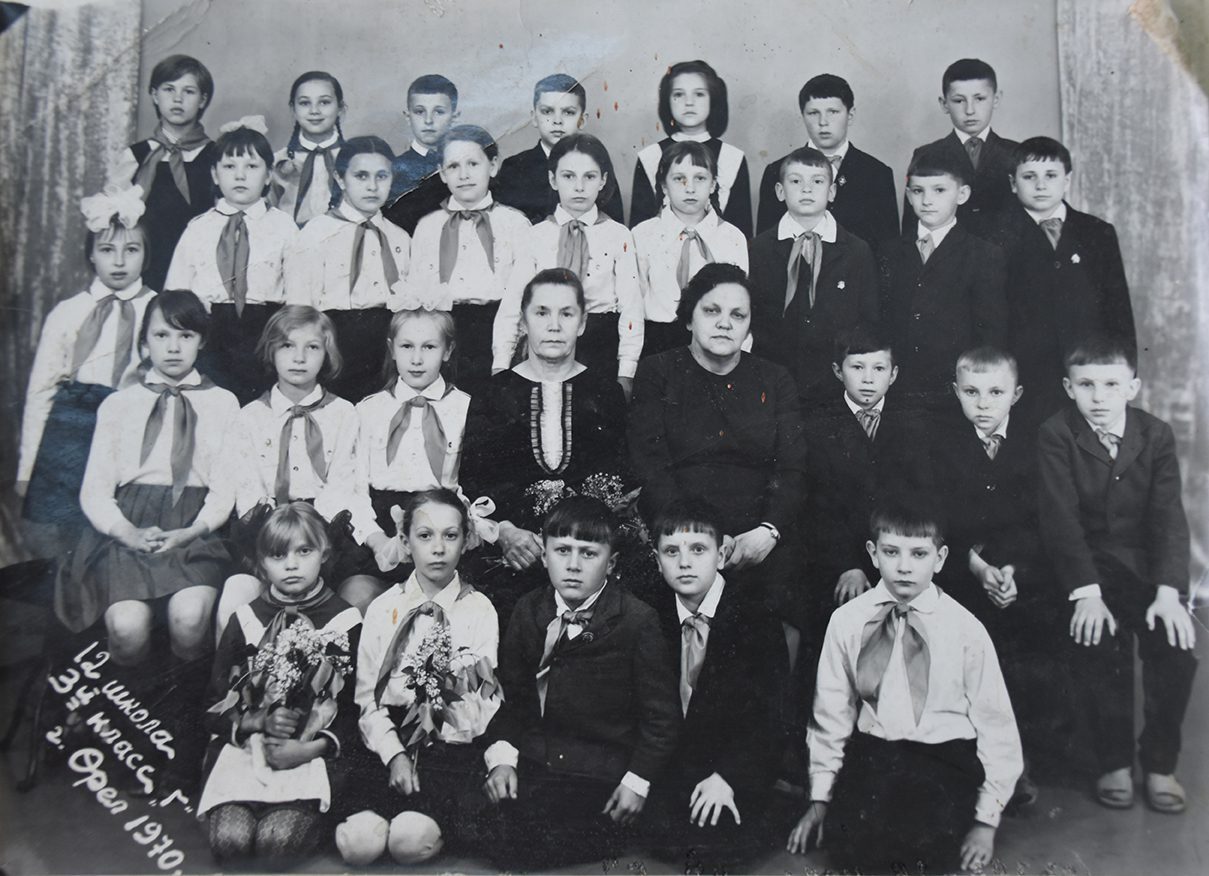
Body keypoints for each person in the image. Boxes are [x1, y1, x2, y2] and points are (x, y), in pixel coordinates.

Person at [55, 290, 238, 793]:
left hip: (195, 528)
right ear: (144, 342)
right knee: (127, 627)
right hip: (126, 527)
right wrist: (127, 531)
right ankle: (132, 740)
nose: (173, 347)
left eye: (185, 335)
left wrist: (193, 529)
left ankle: (186, 744)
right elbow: (94, 491)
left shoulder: (223, 403)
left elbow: (225, 489)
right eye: (161, 335)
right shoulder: (119, 404)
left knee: (190, 618)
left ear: (201, 341)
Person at [787, 499, 1023, 874]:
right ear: (872, 553)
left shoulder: (965, 628)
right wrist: (820, 801)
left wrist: (986, 823)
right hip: (875, 753)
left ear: (940, 558)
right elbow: (830, 714)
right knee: (851, 850)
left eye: (919, 554)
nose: (904, 566)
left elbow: (996, 724)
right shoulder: (848, 620)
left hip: (944, 758)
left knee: (924, 854)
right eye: (891, 552)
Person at [1037, 336, 1196, 814]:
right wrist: (1085, 592)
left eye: (1111, 385)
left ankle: (1160, 762)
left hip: (1146, 570)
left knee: (1175, 647)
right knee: (1099, 642)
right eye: (1086, 385)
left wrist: (1168, 593)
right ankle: (1115, 761)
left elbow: (1168, 517)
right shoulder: (1056, 433)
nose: (1099, 397)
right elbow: (1060, 520)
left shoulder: (1155, 434)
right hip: (1088, 566)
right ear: (1069, 387)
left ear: (1133, 387)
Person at [481, 496, 681, 871]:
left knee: (535, 846)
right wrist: (504, 761)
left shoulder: (637, 621)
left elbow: (661, 719)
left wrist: (637, 782)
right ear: (544, 556)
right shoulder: (529, 610)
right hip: (539, 764)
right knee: (491, 830)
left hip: (601, 775)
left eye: (588, 554)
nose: (573, 565)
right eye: (562, 551)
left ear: (612, 563)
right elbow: (513, 701)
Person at [628, 263, 806, 646]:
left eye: (738, 315)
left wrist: (768, 532)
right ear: (688, 318)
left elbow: (793, 469)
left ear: (750, 325)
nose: (725, 323)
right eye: (712, 311)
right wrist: (698, 542)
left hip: (757, 543)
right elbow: (651, 467)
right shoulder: (658, 372)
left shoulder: (775, 380)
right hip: (682, 540)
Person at [339, 489, 501, 865]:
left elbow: (481, 704)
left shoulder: (479, 610)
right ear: (405, 541)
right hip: (388, 744)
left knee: (408, 841)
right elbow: (367, 699)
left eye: (450, 535)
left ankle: (425, 827)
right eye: (425, 536)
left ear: (467, 540)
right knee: (356, 844)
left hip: (447, 749)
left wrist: (438, 712)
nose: (438, 548)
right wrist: (394, 753)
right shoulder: (383, 608)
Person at [198, 502, 362, 867]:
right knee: (231, 843)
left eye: (304, 552)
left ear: (324, 554)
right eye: (278, 555)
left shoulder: (344, 621)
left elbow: (356, 709)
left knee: (277, 844)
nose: (291, 565)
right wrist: (256, 721)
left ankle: (308, 821)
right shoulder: (246, 619)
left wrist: (311, 748)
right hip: (249, 752)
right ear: (260, 563)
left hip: (308, 756)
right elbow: (212, 705)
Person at [463, 268, 628, 622]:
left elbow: (618, 477)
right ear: (523, 322)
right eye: (541, 313)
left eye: (566, 314)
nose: (554, 326)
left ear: (582, 323)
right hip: (514, 555)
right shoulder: (493, 394)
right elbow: (475, 480)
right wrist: (505, 532)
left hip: (587, 553)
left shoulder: (606, 393)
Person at [932, 346, 1048, 807]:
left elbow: (1039, 521)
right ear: (955, 392)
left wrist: (1013, 570)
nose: (983, 404)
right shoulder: (940, 444)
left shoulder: (1035, 443)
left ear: (1015, 395)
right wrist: (974, 565)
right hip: (959, 570)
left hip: (1018, 573)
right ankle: (965, 760)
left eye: (996, 393)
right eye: (971, 392)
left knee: (1022, 649)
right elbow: (935, 517)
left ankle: (1013, 763)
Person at [647, 500, 785, 871]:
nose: (684, 563)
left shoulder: (756, 617)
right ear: (657, 560)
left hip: (732, 768)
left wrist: (729, 777)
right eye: (671, 552)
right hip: (673, 768)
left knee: (718, 847)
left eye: (698, 549)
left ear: (721, 555)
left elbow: (770, 718)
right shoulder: (650, 615)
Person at [216, 306, 362, 638]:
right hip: (267, 533)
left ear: (327, 353)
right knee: (235, 597)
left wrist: (312, 535)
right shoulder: (249, 417)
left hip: (326, 533)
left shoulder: (345, 413)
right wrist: (279, 534)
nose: (299, 357)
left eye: (312, 347)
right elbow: (249, 492)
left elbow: (342, 485)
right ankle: (231, 671)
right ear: (271, 350)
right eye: (287, 346)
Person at [19, 186, 155, 537]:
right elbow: (40, 393)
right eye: (107, 250)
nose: (119, 262)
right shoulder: (68, 313)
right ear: (91, 255)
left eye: (131, 250)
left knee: (119, 526)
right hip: (71, 430)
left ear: (146, 255)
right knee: (67, 532)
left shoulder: (157, 310)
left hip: (130, 427)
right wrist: (28, 468)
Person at [799, 327, 933, 685]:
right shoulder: (817, 427)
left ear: (894, 374)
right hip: (837, 561)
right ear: (837, 371)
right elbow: (818, 507)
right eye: (857, 368)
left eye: (879, 369)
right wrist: (847, 565)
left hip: (898, 557)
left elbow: (920, 499)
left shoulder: (913, 425)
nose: (869, 379)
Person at [991, 136, 1136, 431]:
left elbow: (1118, 310)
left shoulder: (1097, 232)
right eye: (1029, 177)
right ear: (1013, 183)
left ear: (1067, 180)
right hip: (1025, 378)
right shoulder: (995, 237)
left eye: (1051, 175)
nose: (1040, 185)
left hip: (1088, 375)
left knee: (1087, 449)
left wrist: (1123, 374)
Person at [491, 134, 642, 395]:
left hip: (599, 345)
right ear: (553, 179)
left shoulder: (619, 236)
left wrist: (626, 370)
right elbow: (513, 302)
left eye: (589, 177)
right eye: (569, 176)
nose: (579, 187)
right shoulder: (535, 235)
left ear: (603, 180)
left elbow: (631, 308)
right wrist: (501, 364)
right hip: (545, 341)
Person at [166, 116, 297, 404]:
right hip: (210, 336)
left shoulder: (284, 227)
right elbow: (175, 294)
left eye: (251, 167)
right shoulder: (198, 229)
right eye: (229, 167)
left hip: (266, 335)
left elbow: (298, 294)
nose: (240, 176)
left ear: (268, 175)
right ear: (215, 174)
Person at [349, 308, 470, 596]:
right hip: (381, 530)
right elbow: (354, 488)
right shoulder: (367, 410)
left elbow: (470, 485)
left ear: (448, 350)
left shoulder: (465, 408)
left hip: (444, 531)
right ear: (392, 349)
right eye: (406, 346)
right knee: (359, 594)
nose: (416, 359)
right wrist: (378, 541)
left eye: (429, 347)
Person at [407, 125, 532, 391]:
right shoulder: (428, 227)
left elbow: (522, 295)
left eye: (473, 164)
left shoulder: (515, 224)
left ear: (493, 166)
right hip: (443, 334)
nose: (463, 175)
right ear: (441, 173)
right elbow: (418, 290)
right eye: (453, 166)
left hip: (499, 330)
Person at [285, 135, 409, 401]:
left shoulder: (400, 239)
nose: (372, 186)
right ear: (340, 179)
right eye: (361, 176)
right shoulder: (315, 233)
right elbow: (300, 310)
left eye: (382, 176)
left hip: (386, 353)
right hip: (334, 350)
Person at [748, 146, 878, 401]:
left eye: (817, 182)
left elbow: (868, 320)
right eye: (796, 181)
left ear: (832, 191)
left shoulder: (857, 251)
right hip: (773, 378)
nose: (806, 189)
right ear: (780, 191)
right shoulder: (759, 249)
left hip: (834, 383)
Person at [880, 151, 1007, 409]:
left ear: (962, 194)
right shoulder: (889, 251)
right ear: (908, 195)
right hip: (899, 389)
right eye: (918, 191)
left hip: (954, 389)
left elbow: (990, 333)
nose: (927, 201)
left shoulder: (983, 254)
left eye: (939, 190)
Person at [110, 54, 217, 290]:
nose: (178, 98)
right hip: (147, 271)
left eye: (189, 91)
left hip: (199, 269)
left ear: (202, 100)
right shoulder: (136, 156)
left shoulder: (216, 156)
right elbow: (116, 223)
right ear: (154, 95)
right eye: (169, 89)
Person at [632, 141, 749, 357]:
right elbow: (634, 304)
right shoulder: (643, 235)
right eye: (679, 179)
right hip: (657, 341)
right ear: (664, 186)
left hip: (714, 341)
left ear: (713, 185)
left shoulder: (732, 237)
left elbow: (741, 304)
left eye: (700, 178)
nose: (690, 188)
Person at [756, 73, 898, 248]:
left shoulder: (877, 174)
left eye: (833, 112)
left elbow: (888, 248)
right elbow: (765, 245)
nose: (823, 122)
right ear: (802, 116)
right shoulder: (776, 171)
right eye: (813, 113)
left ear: (850, 115)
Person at [629, 60, 752, 236]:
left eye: (699, 94)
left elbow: (742, 233)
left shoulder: (733, 157)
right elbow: (638, 231)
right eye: (679, 94)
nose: (689, 102)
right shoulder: (650, 156)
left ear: (713, 99)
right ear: (667, 101)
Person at [900, 58, 1019, 239]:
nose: (970, 110)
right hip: (948, 253)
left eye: (979, 99)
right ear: (944, 104)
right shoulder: (926, 154)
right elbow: (912, 228)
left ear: (996, 99)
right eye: (959, 100)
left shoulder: (1016, 153)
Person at [495, 74, 625, 224]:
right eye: (547, 111)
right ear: (534, 117)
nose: (557, 121)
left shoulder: (598, 165)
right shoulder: (514, 168)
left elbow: (613, 226)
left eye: (568, 112)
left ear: (582, 120)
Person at [270, 71, 347, 227]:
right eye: (305, 103)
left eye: (324, 102)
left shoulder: (353, 159)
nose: (314, 111)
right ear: (293, 109)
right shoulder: (278, 161)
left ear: (340, 107)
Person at [384, 74, 457, 234]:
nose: (428, 120)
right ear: (408, 117)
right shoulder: (393, 171)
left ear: (454, 117)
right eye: (419, 112)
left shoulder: (464, 167)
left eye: (438, 112)